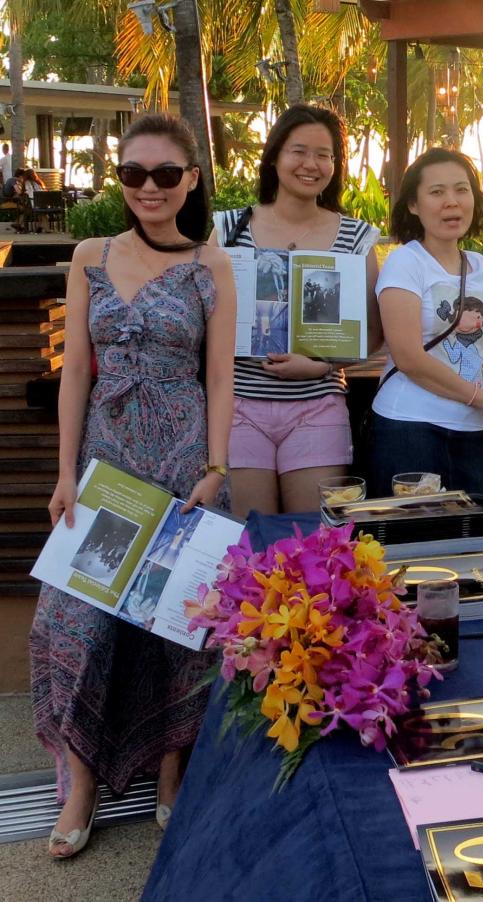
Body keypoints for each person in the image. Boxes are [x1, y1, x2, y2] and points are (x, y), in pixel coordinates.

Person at [29, 113, 236, 859]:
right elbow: (75, 375)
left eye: (165, 174)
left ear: (191, 180)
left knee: (177, 623)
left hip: (183, 463)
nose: (149, 187)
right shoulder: (91, 255)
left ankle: (172, 772)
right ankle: (81, 782)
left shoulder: (211, 264)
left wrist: (215, 469)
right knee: (75, 618)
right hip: (107, 466)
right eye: (133, 174)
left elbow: (220, 376)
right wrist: (65, 474)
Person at [210, 105, 380, 519]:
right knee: (251, 538)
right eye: (298, 151)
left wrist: (323, 366)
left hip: (317, 405)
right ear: (274, 157)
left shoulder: (356, 237)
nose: (311, 164)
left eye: (324, 155)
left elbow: (373, 332)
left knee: (313, 540)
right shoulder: (229, 228)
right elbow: (204, 315)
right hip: (239, 406)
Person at [370, 147, 483, 545]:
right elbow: (409, 358)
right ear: (413, 204)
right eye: (437, 192)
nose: (451, 201)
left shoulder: (479, 266)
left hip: (474, 432)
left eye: (461, 189)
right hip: (410, 431)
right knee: (414, 554)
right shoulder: (404, 263)